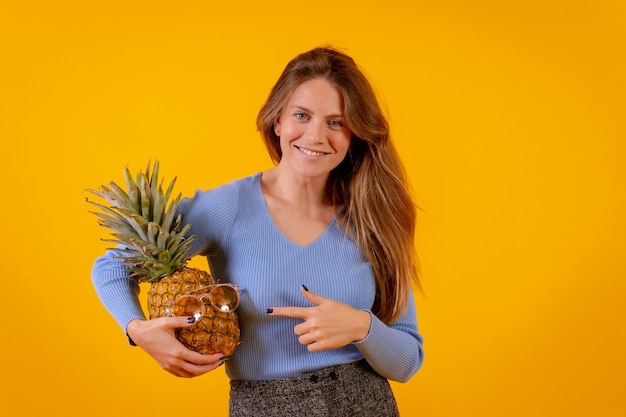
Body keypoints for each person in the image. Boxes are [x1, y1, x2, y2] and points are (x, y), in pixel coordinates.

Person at [92, 46, 424, 416]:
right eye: (302, 115)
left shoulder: (373, 217)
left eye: (336, 122)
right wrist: (137, 330)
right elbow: (113, 266)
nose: (316, 136)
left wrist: (363, 326)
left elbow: (407, 361)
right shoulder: (229, 207)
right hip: (265, 406)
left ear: (355, 135)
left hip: (365, 405)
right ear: (277, 121)